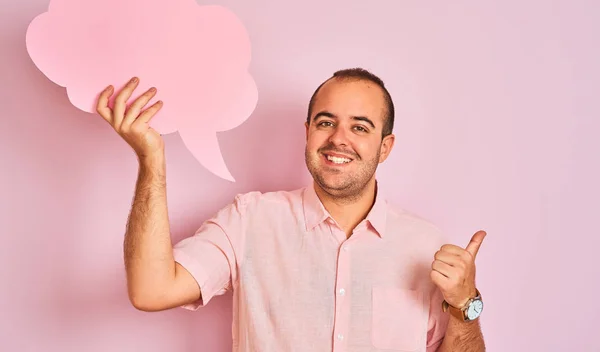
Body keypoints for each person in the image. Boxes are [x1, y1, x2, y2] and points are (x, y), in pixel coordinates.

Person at [96, 68, 487, 352]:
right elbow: (151, 290)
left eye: (360, 127)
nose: (338, 139)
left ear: (385, 147)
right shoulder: (250, 220)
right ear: (307, 131)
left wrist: (464, 304)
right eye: (326, 122)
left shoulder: (425, 245)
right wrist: (151, 160)